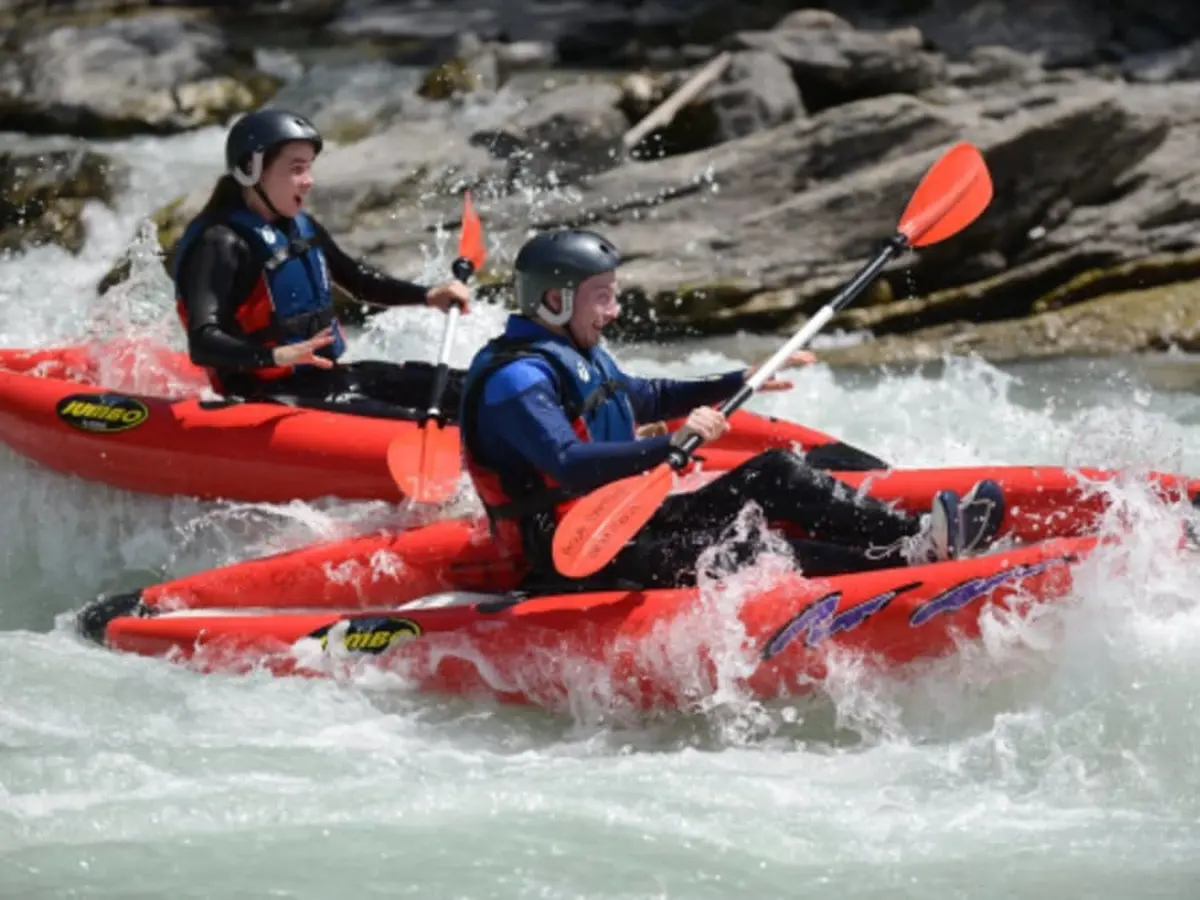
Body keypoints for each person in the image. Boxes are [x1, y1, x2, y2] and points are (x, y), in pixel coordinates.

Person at [458, 228, 1006, 591]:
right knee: (749, 549)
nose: (614, 309)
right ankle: (904, 565)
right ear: (555, 301)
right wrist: (666, 447)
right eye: (602, 295)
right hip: (571, 553)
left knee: (775, 471)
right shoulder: (516, 380)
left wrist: (737, 380)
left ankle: (916, 534)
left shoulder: (577, 351)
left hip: (626, 516)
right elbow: (568, 462)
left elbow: (641, 395)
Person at [171, 107, 471, 414]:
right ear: (251, 169)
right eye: (296, 168)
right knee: (414, 419)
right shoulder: (219, 243)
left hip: (321, 380)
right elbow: (203, 342)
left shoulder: (300, 226)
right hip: (264, 395)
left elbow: (359, 281)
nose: (309, 181)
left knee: (460, 389)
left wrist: (427, 295)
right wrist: (276, 356)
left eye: (309, 168)